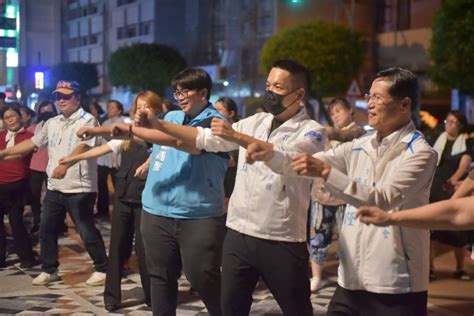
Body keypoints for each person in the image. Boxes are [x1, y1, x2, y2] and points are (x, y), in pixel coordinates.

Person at [129, 60, 326, 315]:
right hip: (238, 234)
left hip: (280, 238)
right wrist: (158, 123)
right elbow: (205, 140)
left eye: (278, 87)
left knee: (296, 307)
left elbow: (290, 160)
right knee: (231, 307)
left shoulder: (314, 131)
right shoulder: (255, 122)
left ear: (298, 93)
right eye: (268, 85)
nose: (270, 92)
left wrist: (236, 137)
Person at [249, 67, 437, 315]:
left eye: (377, 98)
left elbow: (382, 199)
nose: (369, 103)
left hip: (395, 284)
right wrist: (271, 154)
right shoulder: (360, 146)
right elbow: (306, 160)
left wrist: (326, 172)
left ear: (404, 104)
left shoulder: (421, 153)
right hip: (349, 281)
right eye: (369, 96)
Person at [109, 68, 228, 316]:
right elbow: (152, 135)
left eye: (186, 91)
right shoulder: (172, 116)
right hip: (156, 212)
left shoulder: (216, 123)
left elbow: (186, 142)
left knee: (202, 276)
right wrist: (127, 129)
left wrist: (151, 125)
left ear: (204, 92)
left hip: (198, 215)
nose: (180, 96)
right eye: (177, 92)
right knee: (160, 277)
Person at [60, 91, 162, 311]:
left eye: (147, 105)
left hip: (147, 201)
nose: (141, 109)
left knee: (144, 251)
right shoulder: (126, 136)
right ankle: (111, 297)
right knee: (116, 247)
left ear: (156, 109)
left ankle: (153, 298)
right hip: (124, 198)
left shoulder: (161, 135)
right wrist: (72, 158)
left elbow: (163, 152)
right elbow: (103, 148)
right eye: (138, 105)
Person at [0, 80, 108, 286]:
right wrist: (5, 153)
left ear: (77, 98)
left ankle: (102, 267)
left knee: (86, 230)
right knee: (46, 229)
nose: (61, 100)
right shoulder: (53, 122)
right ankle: (50, 269)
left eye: (66, 96)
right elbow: (31, 143)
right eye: (58, 96)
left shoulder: (89, 120)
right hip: (55, 187)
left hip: (79, 187)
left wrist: (65, 165)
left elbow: (84, 147)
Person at [308, 97, 365, 292]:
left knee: (346, 240)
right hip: (320, 194)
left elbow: (346, 137)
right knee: (318, 238)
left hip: (345, 196)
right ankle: (316, 277)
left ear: (350, 111)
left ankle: (346, 277)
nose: (335, 116)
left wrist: (328, 131)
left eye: (339, 111)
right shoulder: (326, 135)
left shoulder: (359, 133)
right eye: (332, 113)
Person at [430, 111, 473, 280]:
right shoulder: (436, 139)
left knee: (456, 230)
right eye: (447, 120)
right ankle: (429, 268)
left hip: (453, 189)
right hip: (434, 187)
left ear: (461, 125)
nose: (449, 124)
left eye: (453, 121)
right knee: (431, 230)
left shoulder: (466, 143)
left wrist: (454, 180)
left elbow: (465, 165)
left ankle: (460, 268)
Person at [0, 104, 37, 268]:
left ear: (20, 117)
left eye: (13, 116)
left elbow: (21, 153)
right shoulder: (0, 136)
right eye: (6, 118)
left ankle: (27, 258)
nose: (10, 120)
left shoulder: (29, 136)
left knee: (16, 222)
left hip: (18, 184)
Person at [28, 100, 58, 234]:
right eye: (43, 111)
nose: (46, 113)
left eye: (49, 110)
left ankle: (56, 222)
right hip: (35, 166)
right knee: (34, 196)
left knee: (55, 196)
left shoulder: (58, 126)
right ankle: (37, 220)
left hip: (52, 165)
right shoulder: (33, 127)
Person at [95, 100, 127, 219]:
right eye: (108, 107)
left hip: (116, 159)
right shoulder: (106, 122)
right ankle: (102, 211)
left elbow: (115, 138)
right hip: (103, 158)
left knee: (117, 186)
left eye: (113, 108)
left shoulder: (123, 122)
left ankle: (119, 213)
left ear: (119, 110)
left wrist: (102, 133)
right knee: (101, 186)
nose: (109, 109)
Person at [214, 97, 240, 208]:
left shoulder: (238, 132)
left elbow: (233, 161)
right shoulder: (216, 130)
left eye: (219, 110)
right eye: (214, 110)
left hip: (231, 184)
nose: (215, 113)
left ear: (231, 113)